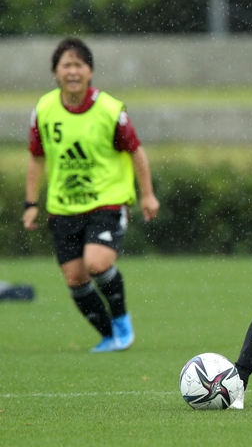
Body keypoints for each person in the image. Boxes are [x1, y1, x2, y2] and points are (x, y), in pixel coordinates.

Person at [22, 38, 160, 352]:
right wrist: (31, 204)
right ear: (55, 72)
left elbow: (136, 152)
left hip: (107, 201)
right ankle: (109, 334)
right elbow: (36, 157)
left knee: (96, 263)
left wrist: (147, 194)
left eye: (79, 64)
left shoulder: (110, 110)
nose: (72, 71)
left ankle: (122, 319)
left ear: (90, 71)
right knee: (75, 278)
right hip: (63, 206)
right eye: (65, 65)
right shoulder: (44, 109)